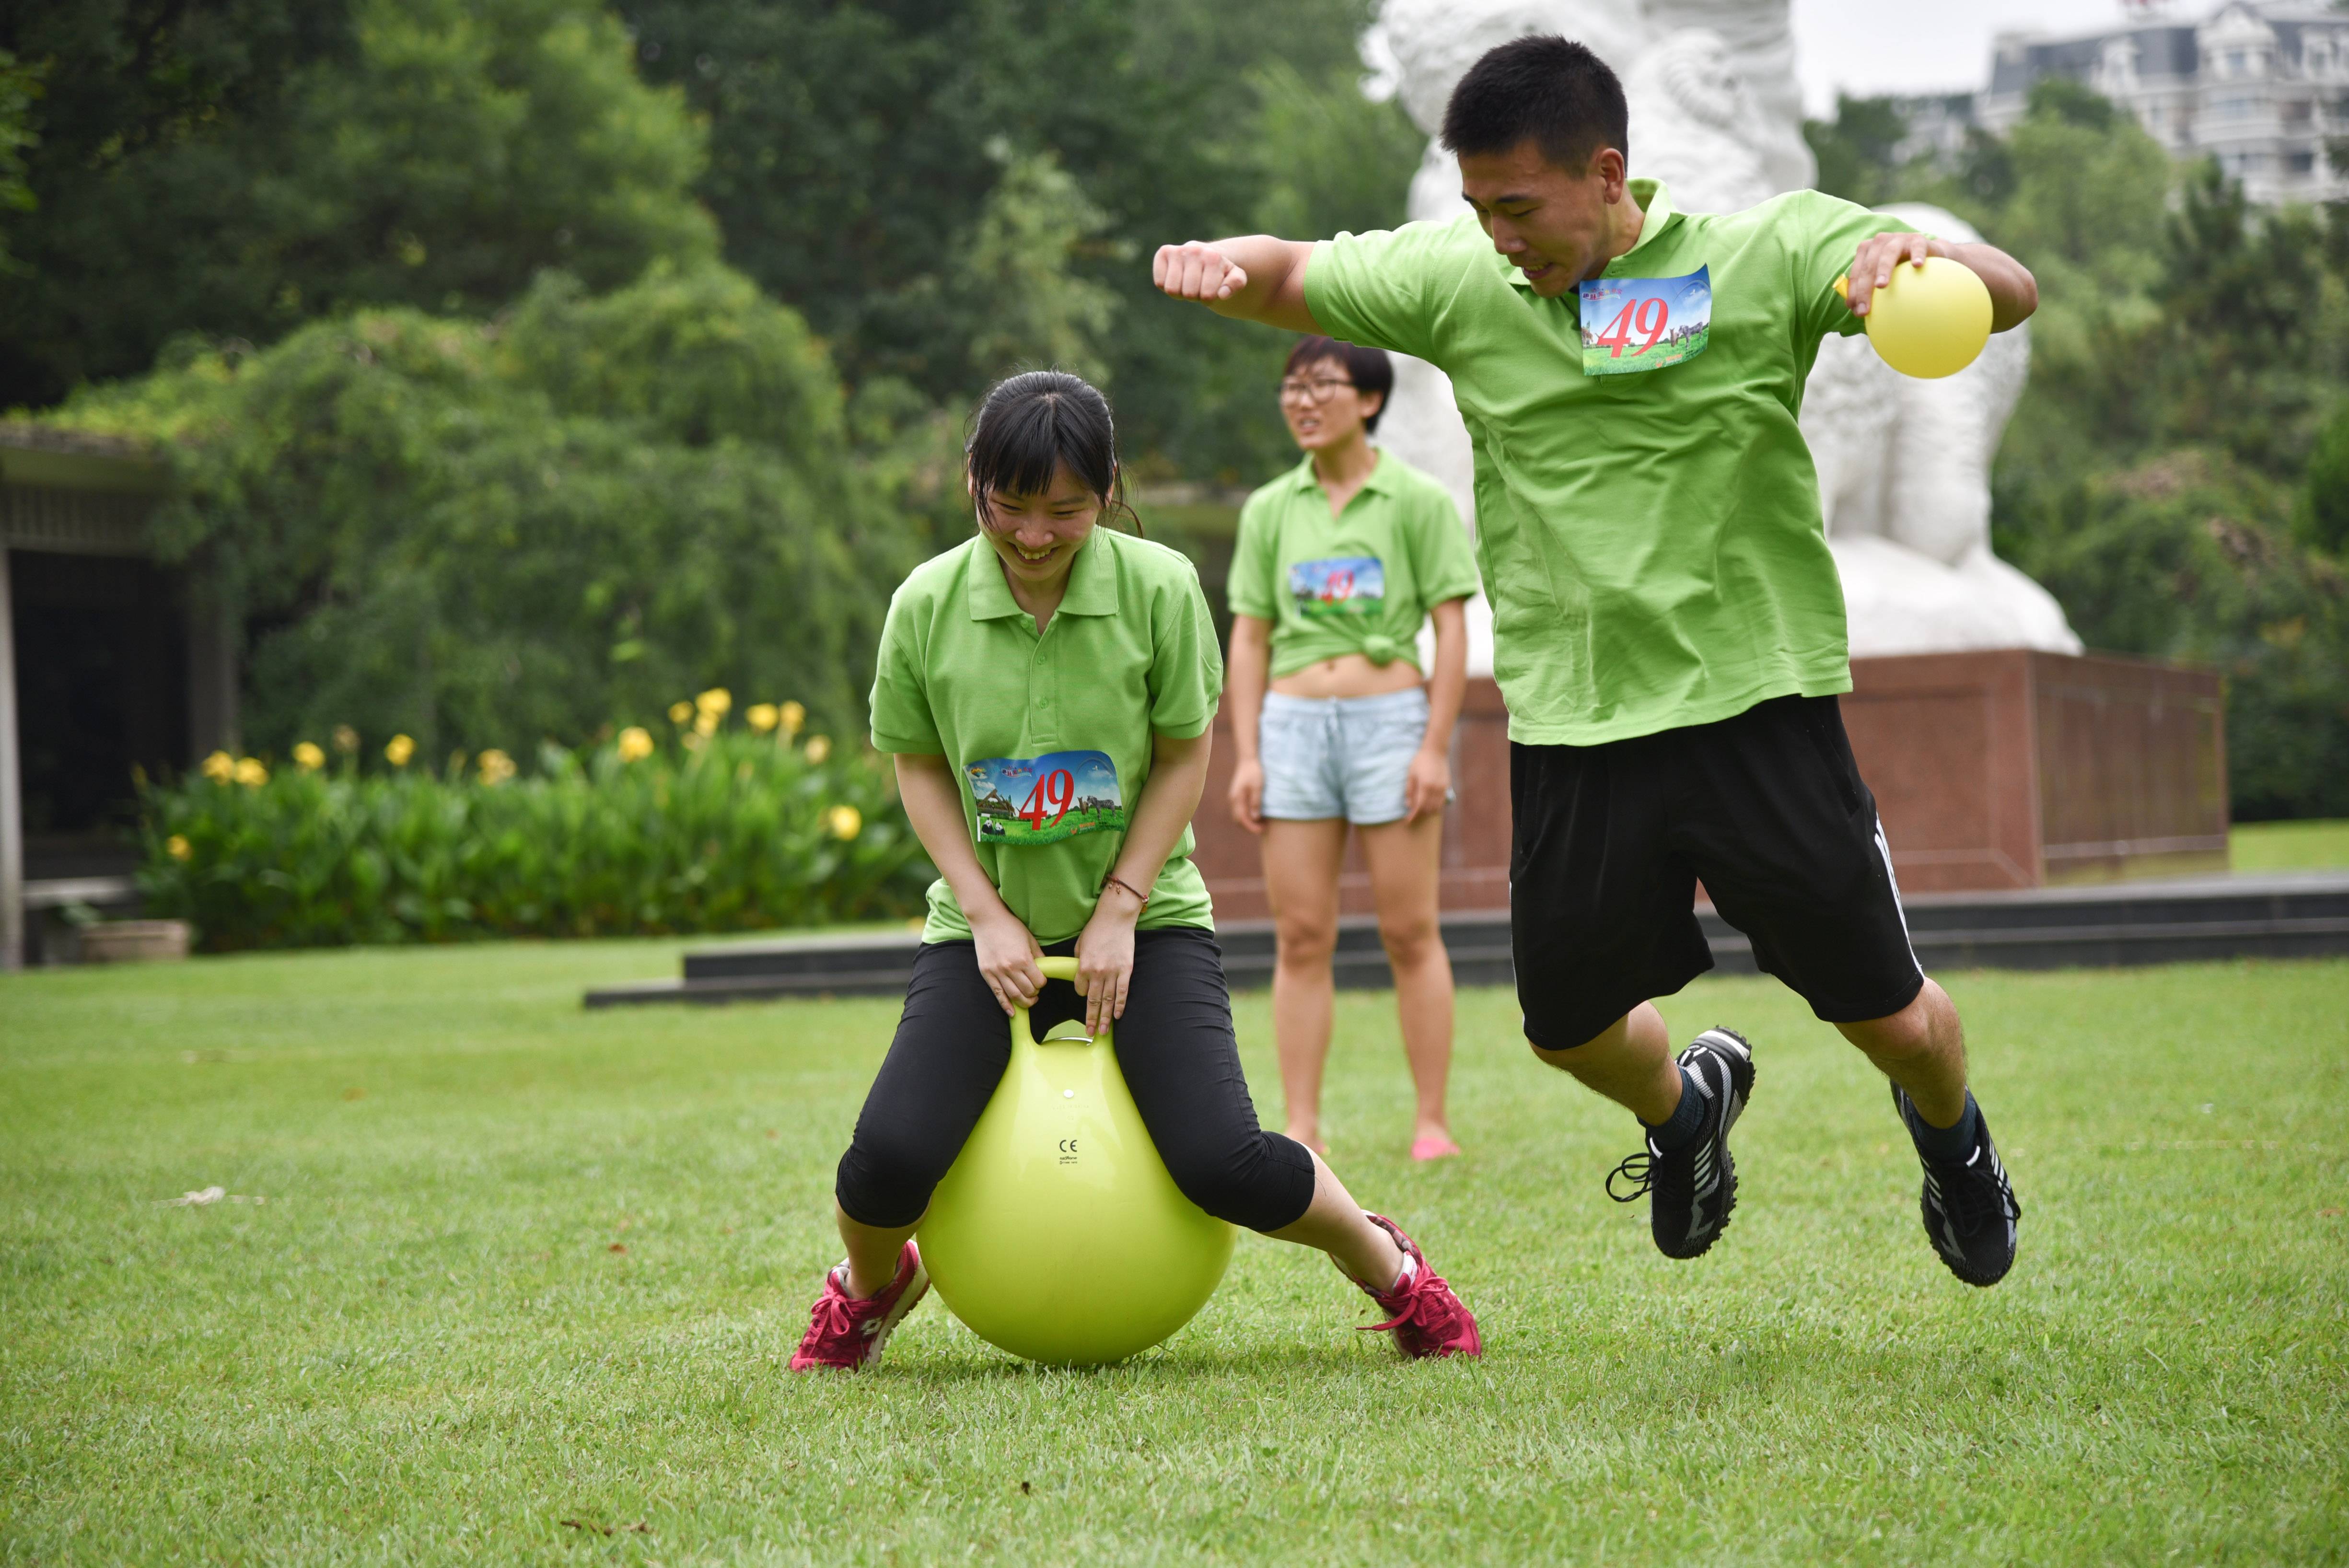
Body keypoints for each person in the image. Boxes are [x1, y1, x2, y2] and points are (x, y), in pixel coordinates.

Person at [1151, 36, 2035, 1287]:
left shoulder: (1766, 252)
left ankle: (1952, 1144)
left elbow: (2010, 290)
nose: (1498, 234)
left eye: (1517, 206)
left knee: (1887, 1020)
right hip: (1575, 722)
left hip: (1756, 710)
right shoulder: (1464, 283)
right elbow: (1291, 273)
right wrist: (1215, 266)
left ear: (1605, 172)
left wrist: (1922, 258)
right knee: (1566, 1029)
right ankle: (1686, 1114)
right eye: (1477, 210)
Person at [791, 371, 1481, 1370]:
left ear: (1107, 491)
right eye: (1010, 508)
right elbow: (918, 764)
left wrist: (1120, 907)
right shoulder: (926, 602)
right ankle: (868, 1289)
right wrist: (983, 914)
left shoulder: (1157, 590)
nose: (1033, 536)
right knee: (886, 1161)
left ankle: (1388, 1266)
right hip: (985, 929)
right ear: (971, 483)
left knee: (1220, 1161)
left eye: (1064, 511)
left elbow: (1180, 753)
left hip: (1146, 920)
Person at [1224, 336, 1479, 1161]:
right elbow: (1251, 639)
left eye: (1321, 385)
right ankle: (1301, 1123)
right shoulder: (1270, 509)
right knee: (1301, 935)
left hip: (1391, 724)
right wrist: (1249, 753)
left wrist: (1435, 748)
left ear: (1368, 400)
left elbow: (1449, 628)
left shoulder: (1416, 501)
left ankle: (1431, 1122)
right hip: (1294, 730)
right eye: (1291, 387)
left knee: (1411, 930)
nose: (1302, 401)